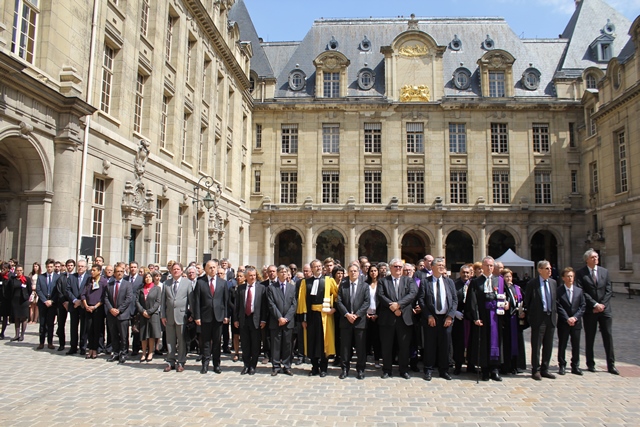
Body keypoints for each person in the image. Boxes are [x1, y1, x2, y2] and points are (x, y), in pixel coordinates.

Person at [575, 249, 618, 375]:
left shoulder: (604, 272)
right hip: (590, 310)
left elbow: (609, 290)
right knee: (590, 337)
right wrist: (594, 304)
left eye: (596, 257)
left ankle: (611, 364)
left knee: (608, 337)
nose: (595, 259)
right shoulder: (581, 273)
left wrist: (602, 305)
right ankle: (590, 363)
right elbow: (582, 291)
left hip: (605, 310)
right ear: (587, 259)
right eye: (593, 257)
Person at [377, 258, 418, 379]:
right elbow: (380, 295)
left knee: (404, 346)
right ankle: (387, 370)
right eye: (396, 266)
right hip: (387, 319)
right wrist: (393, 307)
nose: (399, 269)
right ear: (391, 268)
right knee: (387, 346)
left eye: (400, 267)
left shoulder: (408, 281)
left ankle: (403, 369)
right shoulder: (383, 281)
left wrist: (399, 305)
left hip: (404, 318)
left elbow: (412, 294)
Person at [466, 256, 506, 381]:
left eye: (491, 266)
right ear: (482, 267)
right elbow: (473, 302)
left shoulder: (499, 280)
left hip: (495, 317)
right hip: (482, 317)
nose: (489, 268)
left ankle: (495, 369)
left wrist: (506, 303)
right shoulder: (476, 282)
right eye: (486, 265)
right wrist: (476, 317)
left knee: (496, 342)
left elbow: (506, 296)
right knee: (483, 343)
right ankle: (484, 369)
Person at [298, 259, 339, 377]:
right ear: (311, 269)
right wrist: (304, 319)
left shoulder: (328, 280)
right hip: (311, 316)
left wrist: (334, 309)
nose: (318, 268)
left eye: (320, 266)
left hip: (325, 316)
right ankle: (314, 367)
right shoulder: (305, 282)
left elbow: (337, 296)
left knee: (324, 341)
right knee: (312, 341)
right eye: (315, 266)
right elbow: (302, 301)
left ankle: (324, 368)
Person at [418, 257, 457, 381]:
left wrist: (450, 316)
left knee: (445, 346)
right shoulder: (425, 282)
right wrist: (428, 315)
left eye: (443, 265)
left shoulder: (449, 282)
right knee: (430, 345)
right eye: (439, 265)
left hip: (446, 319)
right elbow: (421, 300)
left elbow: (455, 300)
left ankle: (444, 370)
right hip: (431, 318)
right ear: (433, 267)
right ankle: (428, 370)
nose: (442, 267)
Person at [193, 260, 229, 374]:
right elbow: (197, 301)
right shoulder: (200, 282)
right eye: (210, 267)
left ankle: (216, 364)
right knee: (206, 342)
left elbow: (226, 301)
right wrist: (197, 317)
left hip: (218, 317)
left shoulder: (223, 283)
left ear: (217, 268)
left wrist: (226, 315)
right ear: (206, 269)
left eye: (214, 267)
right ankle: (205, 364)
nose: (212, 269)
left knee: (217, 342)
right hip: (205, 317)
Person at [525, 260, 557, 381]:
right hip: (538, 318)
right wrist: (531, 317)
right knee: (537, 345)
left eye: (550, 268)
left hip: (550, 317)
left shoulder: (553, 283)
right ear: (540, 270)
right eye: (547, 268)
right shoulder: (532, 284)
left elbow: (555, 300)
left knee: (548, 345)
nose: (550, 270)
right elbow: (527, 301)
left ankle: (545, 369)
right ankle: (535, 370)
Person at [336, 263, 370, 379]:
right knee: (345, 347)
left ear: (359, 272)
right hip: (346, 321)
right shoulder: (343, 285)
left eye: (355, 271)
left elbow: (366, 302)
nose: (353, 273)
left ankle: (360, 369)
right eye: (351, 271)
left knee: (360, 347)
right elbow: (339, 301)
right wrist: (347, 314)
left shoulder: (364, 286)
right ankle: (345, 369)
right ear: (348, 272)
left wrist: (357, 315)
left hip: (359, 321)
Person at [233, 267, 267, 375]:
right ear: (246, 277)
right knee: (245, 344)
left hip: (256, 319)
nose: (252, 277)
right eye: (250, 276)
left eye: (254, 275)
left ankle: (253, 366)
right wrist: (235, 319)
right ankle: (246, 365)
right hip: (243, 319)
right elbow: (236, 306)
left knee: (255, 344)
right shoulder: (241, 288)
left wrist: (263, 320)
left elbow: (264, 306)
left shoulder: (261, 288)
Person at [266, 265, 297, 376]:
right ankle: (275, 366)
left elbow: (294, 304)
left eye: (285, 272)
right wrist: (279, 317)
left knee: (288, 345)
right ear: (278, 274)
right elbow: (271, 304)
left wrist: (286, 318)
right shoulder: (271, 288)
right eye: (282, 272)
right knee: (276, 344)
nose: (284, 273)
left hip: (288, 322)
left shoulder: (292, 287)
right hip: (276, 321)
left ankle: (287, 366)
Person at [161, 262, 192, 373]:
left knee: (181, 340)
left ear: (182, 271)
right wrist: (163, 315)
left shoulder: (187, 283)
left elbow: (191, 300)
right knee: (170, 340)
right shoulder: (166, 284)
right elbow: (163, 301)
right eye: (174, 269)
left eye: (178, 269)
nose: (175, 271)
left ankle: (181, 361)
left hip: (182, 315)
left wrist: (191, 315)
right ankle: (170, 361)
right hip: (169, 316)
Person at [556, 267, 586, 376]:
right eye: (568, 276)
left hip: (576, 322)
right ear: (563, 278)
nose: (570, 278)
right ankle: (562, 365)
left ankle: (575, 366)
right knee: (562, 344)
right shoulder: (559, 291)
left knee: (576, 345)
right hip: (564, 322)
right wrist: (567, 318)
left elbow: (582, 306)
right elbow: (558, 306)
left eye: (571, 276)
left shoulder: (579, 291)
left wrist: (575, 317)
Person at [104, 263, 133, 364]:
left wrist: (119, 310)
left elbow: (129, 298)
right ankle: (115, 352)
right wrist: (111, 309)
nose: (120, 273)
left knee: (124, 335)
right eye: (118, 272)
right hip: (111, 315)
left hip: (123, 314)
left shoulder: (127, 284)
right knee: (113, 335)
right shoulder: (109, 285)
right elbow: (106, 298)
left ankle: (123, 353)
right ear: (114, 274)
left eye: (121, 271)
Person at [501, 268, 526, 374]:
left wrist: (523, 310)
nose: (509, 278)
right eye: (506, 276)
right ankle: (507, 366)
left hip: (516, 319)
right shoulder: (501, 288)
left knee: (517, 342)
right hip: (506, 320)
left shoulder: (517, 288)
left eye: (510, 276)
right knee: (507, 343)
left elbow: (523, 301)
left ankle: (517, 365)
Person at [136, 271, 162, 363]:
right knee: (143, 334)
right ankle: (143, 353)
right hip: (143, 314)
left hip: (153, 314)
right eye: (146, 277)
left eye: (149, 277)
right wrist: (143, 311)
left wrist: (150, 312)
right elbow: (137, 301)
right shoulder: (140, 289)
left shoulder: (157, 289)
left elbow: (158, 302)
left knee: (151, 334)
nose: (148, 279)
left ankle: (150, 352)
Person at [82, 264, 107, 359]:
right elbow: (83, 294)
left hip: (98, 309)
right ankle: (90, 349)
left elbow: (104, 297)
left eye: (94, 270)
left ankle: (95, 349)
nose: (92, 272)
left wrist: (95, 306)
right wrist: (86, 305)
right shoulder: (88, 281)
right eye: (91, 270)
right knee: (89, 329)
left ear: (99, 271)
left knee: (96, 329)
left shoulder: (103, 282)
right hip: (88, 308)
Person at [35, 259, 60, 350]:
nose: (49, 268)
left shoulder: (57, 277)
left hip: (52, 303)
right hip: (43, 303)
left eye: (51, 267)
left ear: (53, 267)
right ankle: (41, 342)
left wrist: (52, 301)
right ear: (46, 267)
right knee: (42, 323)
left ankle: (50, 342)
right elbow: (38, 289)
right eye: (48, 267)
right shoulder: (41, 277)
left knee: (50, 323)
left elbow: (58, 290)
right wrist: (45, 300)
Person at [67, 259, 89, 355]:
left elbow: (89, 291)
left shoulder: (89, 278)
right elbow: (67, 290)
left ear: (86, 268)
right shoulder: (72, 277)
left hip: (84, 305)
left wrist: (81, 301)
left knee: (84, 327)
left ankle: (83, 347)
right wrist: (75, 300)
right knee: (73, 326)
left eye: (82, 266)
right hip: (74, 305)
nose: (80, 268)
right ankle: (73, 346)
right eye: (79, 266)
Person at [452, 264, 472, 375]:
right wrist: (454, 312)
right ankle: (458, 365)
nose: (465, 274)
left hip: (470, 317)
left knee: (470, 341)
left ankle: (471, 365)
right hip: (458, 317)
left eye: (467, 272)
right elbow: (450, 299)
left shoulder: (473, 284)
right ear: (460, 273)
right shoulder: (454, 284)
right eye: (463, 272)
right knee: (458, 343)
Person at [54, 259, 76, 351]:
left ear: (74, 266)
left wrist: (72, 301)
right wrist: (64, 302)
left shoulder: (76, 277)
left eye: (71, 265)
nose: (70, 267)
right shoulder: (61, 277)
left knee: (74, 325)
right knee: (61, 324)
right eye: (68, 265)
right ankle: (61, 344)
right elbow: (59, 290)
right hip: (62, 303)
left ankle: (73, 345)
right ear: (66, 266)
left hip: (73, 303)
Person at [365, 264, 381, 368]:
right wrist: (365, 313)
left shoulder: (382, 284)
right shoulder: (365, 284)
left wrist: (378, 314)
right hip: (366, 314)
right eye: (371, 271)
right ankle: (364, 358)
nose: (373, 273)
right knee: (366, 338)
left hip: (378, 314)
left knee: (377, 338)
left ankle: (377, 359)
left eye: (375, 271)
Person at [9, 265, 30, 342]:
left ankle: (22, 335)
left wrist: (27, 297)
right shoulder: (13, 279)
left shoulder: (26, 279)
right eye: (18, 270)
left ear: (23, 271)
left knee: (23, 317)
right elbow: (10, 289)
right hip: (15, 300)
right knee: (16, 317)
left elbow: (29, 289)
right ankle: (17, 334)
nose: (19, 272)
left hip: (24, 300)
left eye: (20, 270)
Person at [331, 265, 345, 367]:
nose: (340, 275)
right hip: (333, 313)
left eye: (341, 273)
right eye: (338, 273)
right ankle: (336, 356)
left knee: (342, 336)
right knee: (335, 335)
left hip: (343, 312)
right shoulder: (331, 283)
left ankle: (343, 357)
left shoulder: (345, 284)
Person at [230, 270, 243, 362]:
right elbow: (229, 300)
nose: (239, 278)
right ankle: (236, 353)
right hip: (235, 314)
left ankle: (245, 352)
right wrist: (235, 308)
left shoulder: (246, 288)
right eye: (237, 276)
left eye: (241, 276)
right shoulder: (232, 288)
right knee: (235, 335)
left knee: (244, 335)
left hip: (244, 314)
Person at [0, 262, 12, 338]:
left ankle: (2, 333)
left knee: (4, 316)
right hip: (0, 298)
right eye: (1, 269)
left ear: (8, 269)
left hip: (6, 300)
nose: (2, 270)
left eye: (4, 269)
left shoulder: (11, 277)